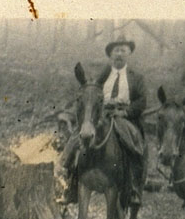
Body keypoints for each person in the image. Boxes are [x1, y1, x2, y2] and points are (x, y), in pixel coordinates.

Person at [60, 35, 147, 206]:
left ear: (129, 53)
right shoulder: (103, 75)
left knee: (133, 145)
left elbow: (142, 101)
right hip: (101, 115)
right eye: (116, 51)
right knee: (79, 137)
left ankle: (134, 188)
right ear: (110, 55)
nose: (119, 54)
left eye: (123, 50)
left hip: (123, 116)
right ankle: (71, 183)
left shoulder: (136, 78)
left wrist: (126, 112)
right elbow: (91, 96)